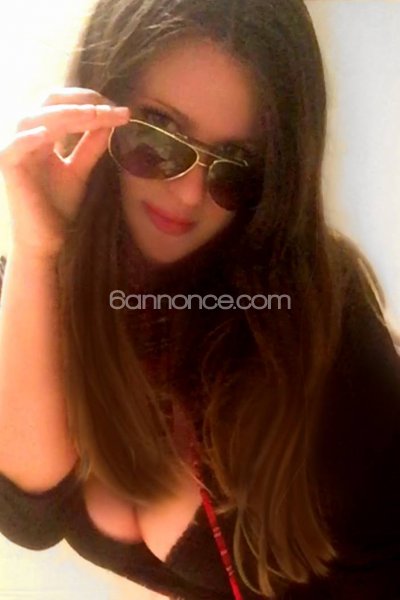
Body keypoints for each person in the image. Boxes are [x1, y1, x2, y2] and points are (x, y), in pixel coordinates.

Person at [0, 0, 399, 598]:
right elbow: (29, 515)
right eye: (157, 137)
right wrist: (39, 251)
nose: (189, 195)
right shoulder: (38, 285)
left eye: (235, 167)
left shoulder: (321, 329)